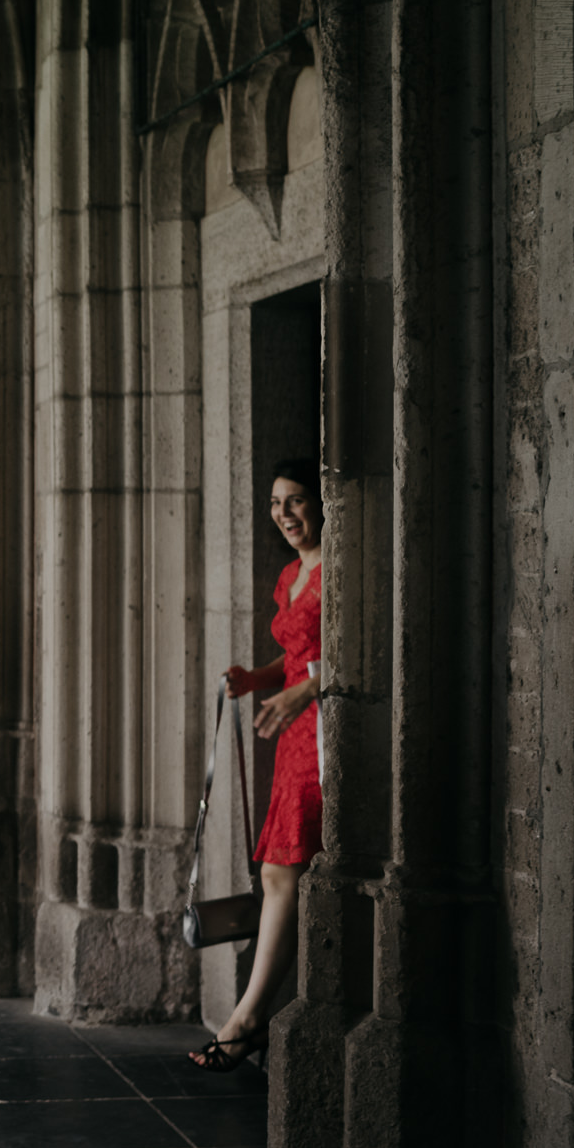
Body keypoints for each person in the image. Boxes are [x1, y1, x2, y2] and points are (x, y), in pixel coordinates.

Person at [192, 456, 323, 1072]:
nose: (285, 514)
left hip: (324, 729)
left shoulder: (340, 570)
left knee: (283, 869)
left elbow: (364, 650)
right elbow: (296, 654)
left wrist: (307, 689)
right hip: (292, 731)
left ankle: (249, 1017)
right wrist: (258, 678)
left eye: (296, 500)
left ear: (321, 503)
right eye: (276, 504)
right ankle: (253, 1015)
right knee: (279, 869)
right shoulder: (291, 574)